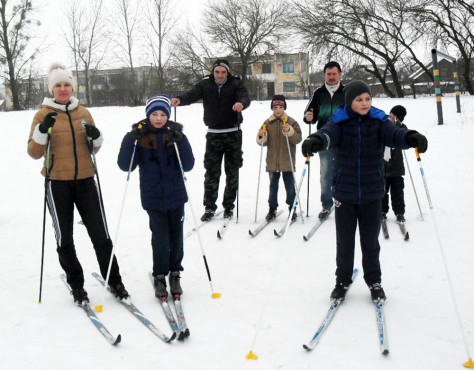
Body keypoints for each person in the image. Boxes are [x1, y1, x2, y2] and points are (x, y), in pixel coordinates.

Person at [301, 81, 428, 302]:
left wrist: (411, 137)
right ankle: (342, 280)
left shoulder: (379, 121)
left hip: (372, 192)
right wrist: (315, 140)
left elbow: (395, 135)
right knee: (345, 241)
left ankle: (374, 281)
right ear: (350, 101)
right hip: (345, 192)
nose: (364, 103)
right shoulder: (340, 121)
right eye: (359, 99)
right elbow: (327, 134)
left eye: (367, 99)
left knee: (371, 242)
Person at [27, 63, 129, 305]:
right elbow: (33, 152)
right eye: (58, 85)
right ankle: (77, 285)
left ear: (73, 86)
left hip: (86, 180)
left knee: (101, 235)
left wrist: (96, 137)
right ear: (52, 88)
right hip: (57, 183)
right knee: (65, 238)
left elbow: (94, 147)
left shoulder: (83, 112)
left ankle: (114, 279)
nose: (63, 89)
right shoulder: (42, 114)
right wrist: (42, 131)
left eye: (67, 85)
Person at [117, 94, 195, 299]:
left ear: (168, 115)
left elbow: (188, 165)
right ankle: (160, 275)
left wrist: (181, 141)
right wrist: (129, 139)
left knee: (177, 236)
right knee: (160, 237)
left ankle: (175, 273)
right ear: (148, 115)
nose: (159, 118)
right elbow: (126, 166)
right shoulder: (140, 136)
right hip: (153, 197)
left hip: (176, 195)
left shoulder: (175, 134)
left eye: (163, 114)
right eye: (154, 114)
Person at [171, 59, 251, 221]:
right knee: (211, 172)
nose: (220, 75)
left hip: (233, 133)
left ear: (227, 72)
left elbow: (245, 97)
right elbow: (191, 95)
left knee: (232, 171)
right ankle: (209, 207)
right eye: (217, 72)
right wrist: (180, 99)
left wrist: (241, 104)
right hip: (213, 134)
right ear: (213, 72)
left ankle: (228, 206)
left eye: (223, 72)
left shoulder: (236, 84)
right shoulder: (205, 85)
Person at [303, 61, 345, 220]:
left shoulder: (347, 92)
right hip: (324, 139)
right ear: (324, 75)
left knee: (344, 172)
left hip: (345, 138)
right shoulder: (318, 93)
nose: (332, 77)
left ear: (340, 74)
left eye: (335, 74)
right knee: (326, 173)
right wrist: (308, 117)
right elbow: (308, 115)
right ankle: (327, 205)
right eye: (329, 74)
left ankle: (343, 202)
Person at [256, 95, 302, 222]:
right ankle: (272, 208)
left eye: (280, 107)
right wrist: (261, 135)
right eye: (275, 107)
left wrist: (290, 131)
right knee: (273, 187)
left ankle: (292, 208)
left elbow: (298, 138)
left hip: (287, 161)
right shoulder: (267, 122)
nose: (278, 110)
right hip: (272, 162)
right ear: (272, 108)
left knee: (290, 187)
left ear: (284, 108)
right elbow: (262, 143)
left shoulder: (291, 121)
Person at [383, 105, 408, 223]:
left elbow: (405, 135)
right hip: (382, 166)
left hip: (397, 167)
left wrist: (398, 125)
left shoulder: (401, 129)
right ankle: (382, 211)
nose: (391, 118)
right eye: (390, 115)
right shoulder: (384, 125)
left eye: (394, 117)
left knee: (398, 190)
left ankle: (399, 212)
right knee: (382, 190)